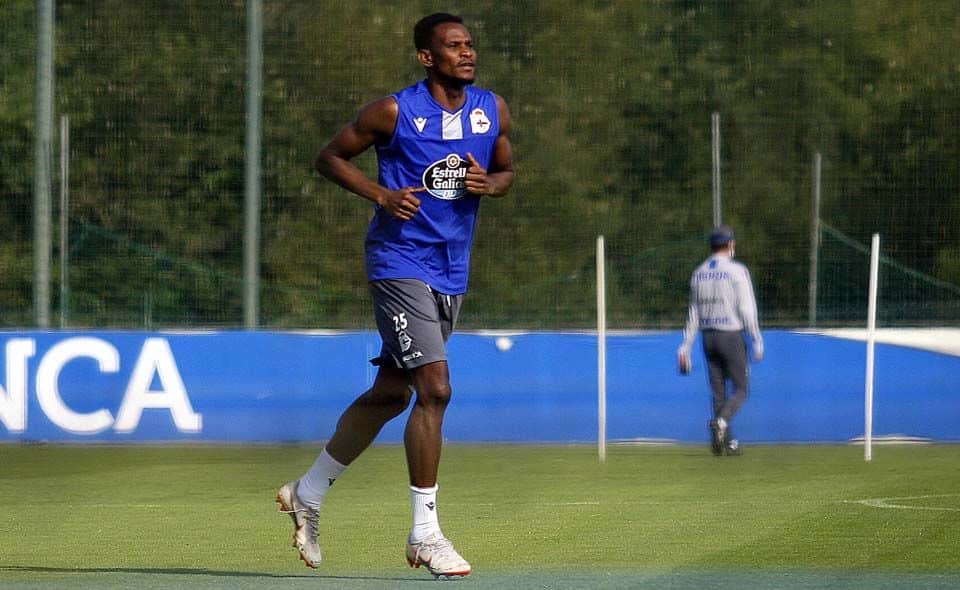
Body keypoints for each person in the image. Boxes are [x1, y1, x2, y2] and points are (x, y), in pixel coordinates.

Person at [276, 13, 513, 579]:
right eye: (452, 46)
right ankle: (425, 535)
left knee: (390, 395)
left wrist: (492, 183)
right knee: (435, 389)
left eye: (470, 45)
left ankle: (307, 492)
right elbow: (329, 157)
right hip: (398, 263)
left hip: (451, 272)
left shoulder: (492, 109)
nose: (466, 53)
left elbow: (506, 169)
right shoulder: (394, 111)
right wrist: (380, 194)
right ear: (427, 58)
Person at [677, 225, 763, 456]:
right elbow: (747, 308)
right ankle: (722, 423)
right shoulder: (737, 271)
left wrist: (686, 345)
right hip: (731, 336)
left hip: (708, 338)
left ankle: (728, 443)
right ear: (730, 244)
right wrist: (756, 338)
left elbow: (693, 313)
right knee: (741, 388)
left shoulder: (699, 272)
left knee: (718, 393)